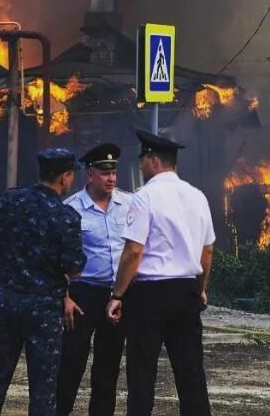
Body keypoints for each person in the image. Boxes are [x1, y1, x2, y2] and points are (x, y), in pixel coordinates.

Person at [0, 148, 87, 416]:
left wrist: (6, 256)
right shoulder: (66, 217)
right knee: (43, 388)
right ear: (65, 177)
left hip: (6, 302)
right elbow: (75, 269)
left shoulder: (11, 200)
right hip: (44, 309)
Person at [105, 130, 214, 416]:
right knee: (191, 372)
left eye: (142, 160)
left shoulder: (144, 197)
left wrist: (118, 294)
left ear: (153, 160)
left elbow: (133, 252)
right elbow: (207, 252)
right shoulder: (198, 196)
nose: (140, 166)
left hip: (149, 295)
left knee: (142, 372)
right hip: (187, 291)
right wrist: (200, 287)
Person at [56, 143, 132, 416]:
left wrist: (122, 294)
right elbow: (58, 260)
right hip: (82, 294)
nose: (110, 178)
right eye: (104, 172)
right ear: (90, 175)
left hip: (116, 294)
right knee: (71, 362)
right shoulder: (70, 208)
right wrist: (65, 298)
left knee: (108, 366)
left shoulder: (129, 204)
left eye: (113, 172)